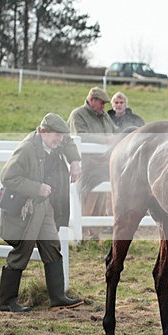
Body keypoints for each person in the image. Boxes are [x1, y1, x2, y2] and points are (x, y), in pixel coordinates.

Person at [0, 113, 85, 312]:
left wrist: (75, 161)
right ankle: (7, 303)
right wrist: (36, 188)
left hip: (44, 207)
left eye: (62, 136)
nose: (61, 140)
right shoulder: (27, 148)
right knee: (22, 251)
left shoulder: (52, 139)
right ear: (43, 131)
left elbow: (68, 140)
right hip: (28, 209)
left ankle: (58, 298)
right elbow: (7, 177)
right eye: (57, 136)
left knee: (52, 247)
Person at [68, 87, 117, 240]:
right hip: (87, 164)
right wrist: (105, 140)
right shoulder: (78, 115)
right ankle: (81, 233)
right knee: (87, 198)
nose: (104, 106)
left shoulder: (104, 116)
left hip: (103, 163)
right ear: (92, 100)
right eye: (101, 103)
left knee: (101, 198)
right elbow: (81, 136)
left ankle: (95, 234)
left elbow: (114, 131)